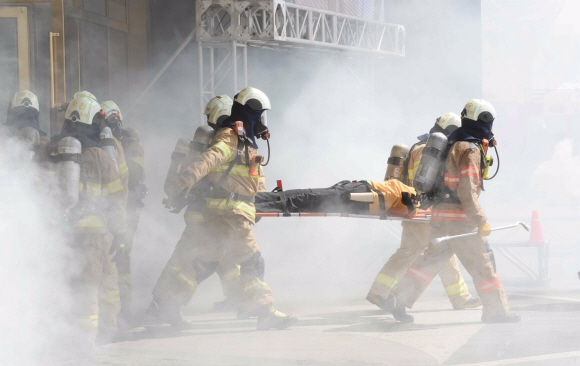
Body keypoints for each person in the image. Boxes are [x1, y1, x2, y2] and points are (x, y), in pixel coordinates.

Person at [164, 87, 296, 330]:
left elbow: (254, 182)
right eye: (259, 114)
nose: (262, 120)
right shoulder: (231, 136)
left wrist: (258, 205)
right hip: (230, 212)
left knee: (206, 262)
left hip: (227, 211)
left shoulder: (246, 141)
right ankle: (264, 311)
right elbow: (210, 159)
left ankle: (169, 303)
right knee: (252, 261)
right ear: (250, 112)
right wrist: (183, 181)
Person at [390, 99, 520, 323]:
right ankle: (496, 312)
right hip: (460, 219)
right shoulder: (470, 149)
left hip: (440, 215)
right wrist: (480, 220)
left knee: (429, 261)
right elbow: (467, 189)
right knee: (482, 265)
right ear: (485, 119)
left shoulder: (451, 142)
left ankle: (397, 299)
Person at [366, 113, 480, 320]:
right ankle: (459, 298)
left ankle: (378, 292)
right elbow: (426, 183)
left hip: (409, 209)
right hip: (424, 211)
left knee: (407, 252)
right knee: (443, 251)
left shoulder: (418, 147)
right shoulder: (430, 151)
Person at [148, 95, 245, 328]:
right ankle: (168, 306)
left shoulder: (200, 140)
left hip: (197, 211)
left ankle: (159, 303)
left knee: (212, 260)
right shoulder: (223, 142)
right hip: (210, 214)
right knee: (200, 263)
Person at [49, 95, 128, 348]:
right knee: (102, 285)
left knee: (79, 286)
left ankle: (76, 336)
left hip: (65, 231)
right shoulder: (100, 155)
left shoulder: (53, 150)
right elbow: (117, 197)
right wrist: (121, 232)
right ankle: (92, 339)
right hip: (99, 235)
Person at [100, 100, 147, 327]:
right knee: (111, 258)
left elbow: (136, 173)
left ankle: (123, 309)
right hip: (114, 209)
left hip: (128, 210)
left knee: (121, 258)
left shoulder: (129, 143)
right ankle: (113, 309)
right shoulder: (106, 142)